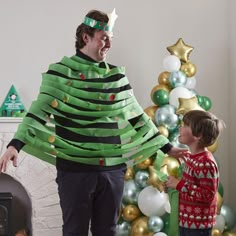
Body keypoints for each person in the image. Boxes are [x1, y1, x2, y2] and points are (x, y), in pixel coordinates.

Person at [0, 9, 186, 236]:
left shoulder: (117, 77)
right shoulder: (59, 74)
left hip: (112, 170)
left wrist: (168, 147)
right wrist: (14, 145)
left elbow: (138, 117)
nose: (108, 44)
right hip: (74, 171)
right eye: (103, 38)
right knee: (74, 231)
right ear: (86, 38)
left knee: (107, 231)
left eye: (110, 39)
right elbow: (37, 113)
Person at [165, 110, 225, 236]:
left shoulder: (206, 163)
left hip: (198, 227)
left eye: (185, 125)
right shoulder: (193, 158)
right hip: (187, 221)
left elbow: (207, 195)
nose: (180, 127)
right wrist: (173, 185)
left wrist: (179, 185)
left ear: (199, 135)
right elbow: (189, 187)